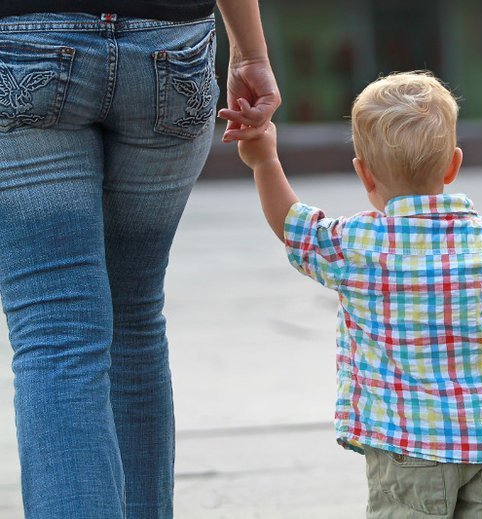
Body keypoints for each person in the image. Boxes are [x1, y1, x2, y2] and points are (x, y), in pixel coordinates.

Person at [233, 71, 482, 518]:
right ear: (453, 165)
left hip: (406, 446)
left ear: (364, 174)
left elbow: (291, 225)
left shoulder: (354, 244)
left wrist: (264, 162)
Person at [0, 1, 279, 517]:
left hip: (22, 41)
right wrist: (249, 53)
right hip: (169, 49)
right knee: (134, 319)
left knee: (56, 330)